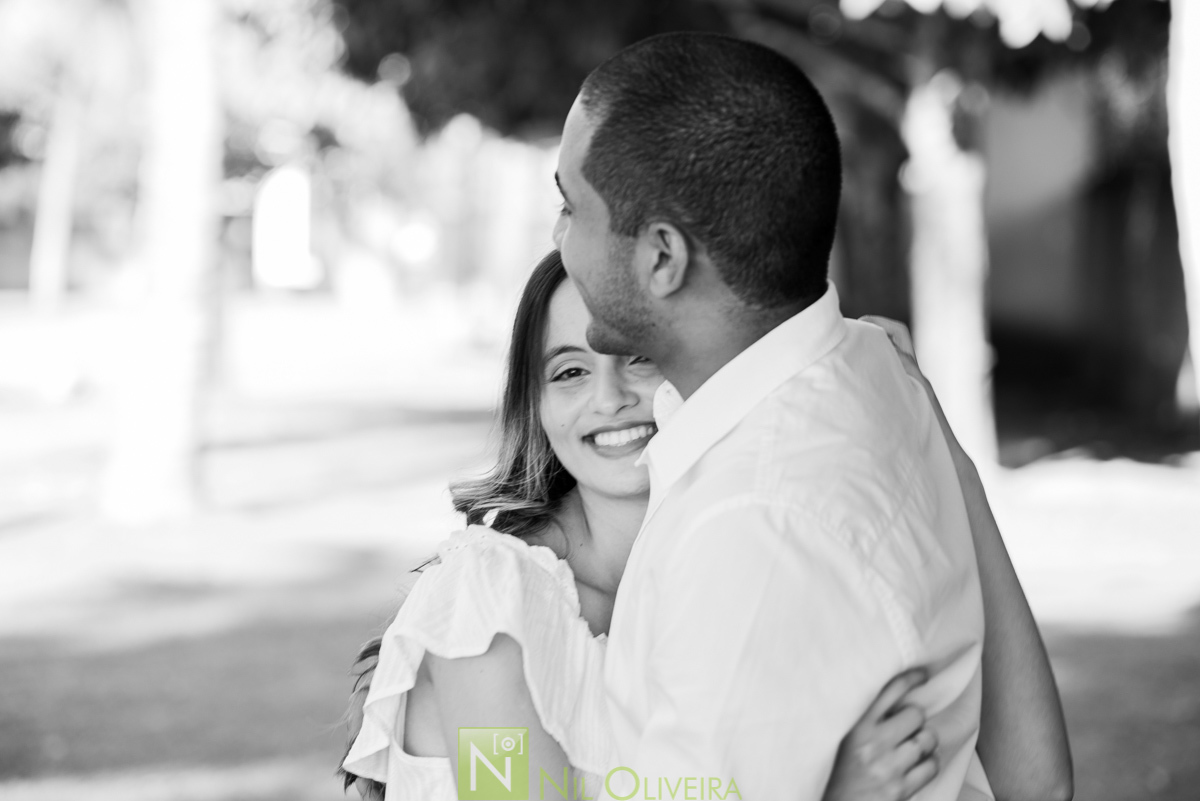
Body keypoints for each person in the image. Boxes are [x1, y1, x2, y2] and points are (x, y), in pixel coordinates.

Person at [550, 32, 1072, 801]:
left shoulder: (750, 524)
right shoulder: (870, 370)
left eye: (570, 207)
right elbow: (1040, 781)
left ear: (663, 257)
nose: (559, 240)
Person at [340, 253, 1070, 801]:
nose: (610, 398)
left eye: (640, 358)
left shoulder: (752, 561)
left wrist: (931, 439)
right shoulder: (488, 606)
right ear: (535, 407)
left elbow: (1036, 782)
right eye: (567, 372)